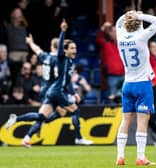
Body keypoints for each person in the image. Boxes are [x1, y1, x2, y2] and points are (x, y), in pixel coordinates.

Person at [6, 19, 93, 147]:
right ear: (63, 49)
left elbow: (37, 50)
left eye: (75, 48)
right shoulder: (61, 58)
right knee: (75, 111)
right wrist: (63, 31)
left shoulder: (46, 57)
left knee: (42, 116)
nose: (75, 51)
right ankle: (78, 138)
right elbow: (63, 69)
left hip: (49, 90)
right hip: (56, 91)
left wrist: (30, 42)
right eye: (72, 48)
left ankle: (17, 120)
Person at [115, 10, 156, 165]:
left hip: (127, 84)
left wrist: (128, 15)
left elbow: (118, 23)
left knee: (125, 121)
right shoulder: (142, 37)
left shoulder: (121, 37)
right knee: (142, 122)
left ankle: (120, 157)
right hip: (142, 84)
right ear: (139, 24)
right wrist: (140, 15)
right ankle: (141, 157)